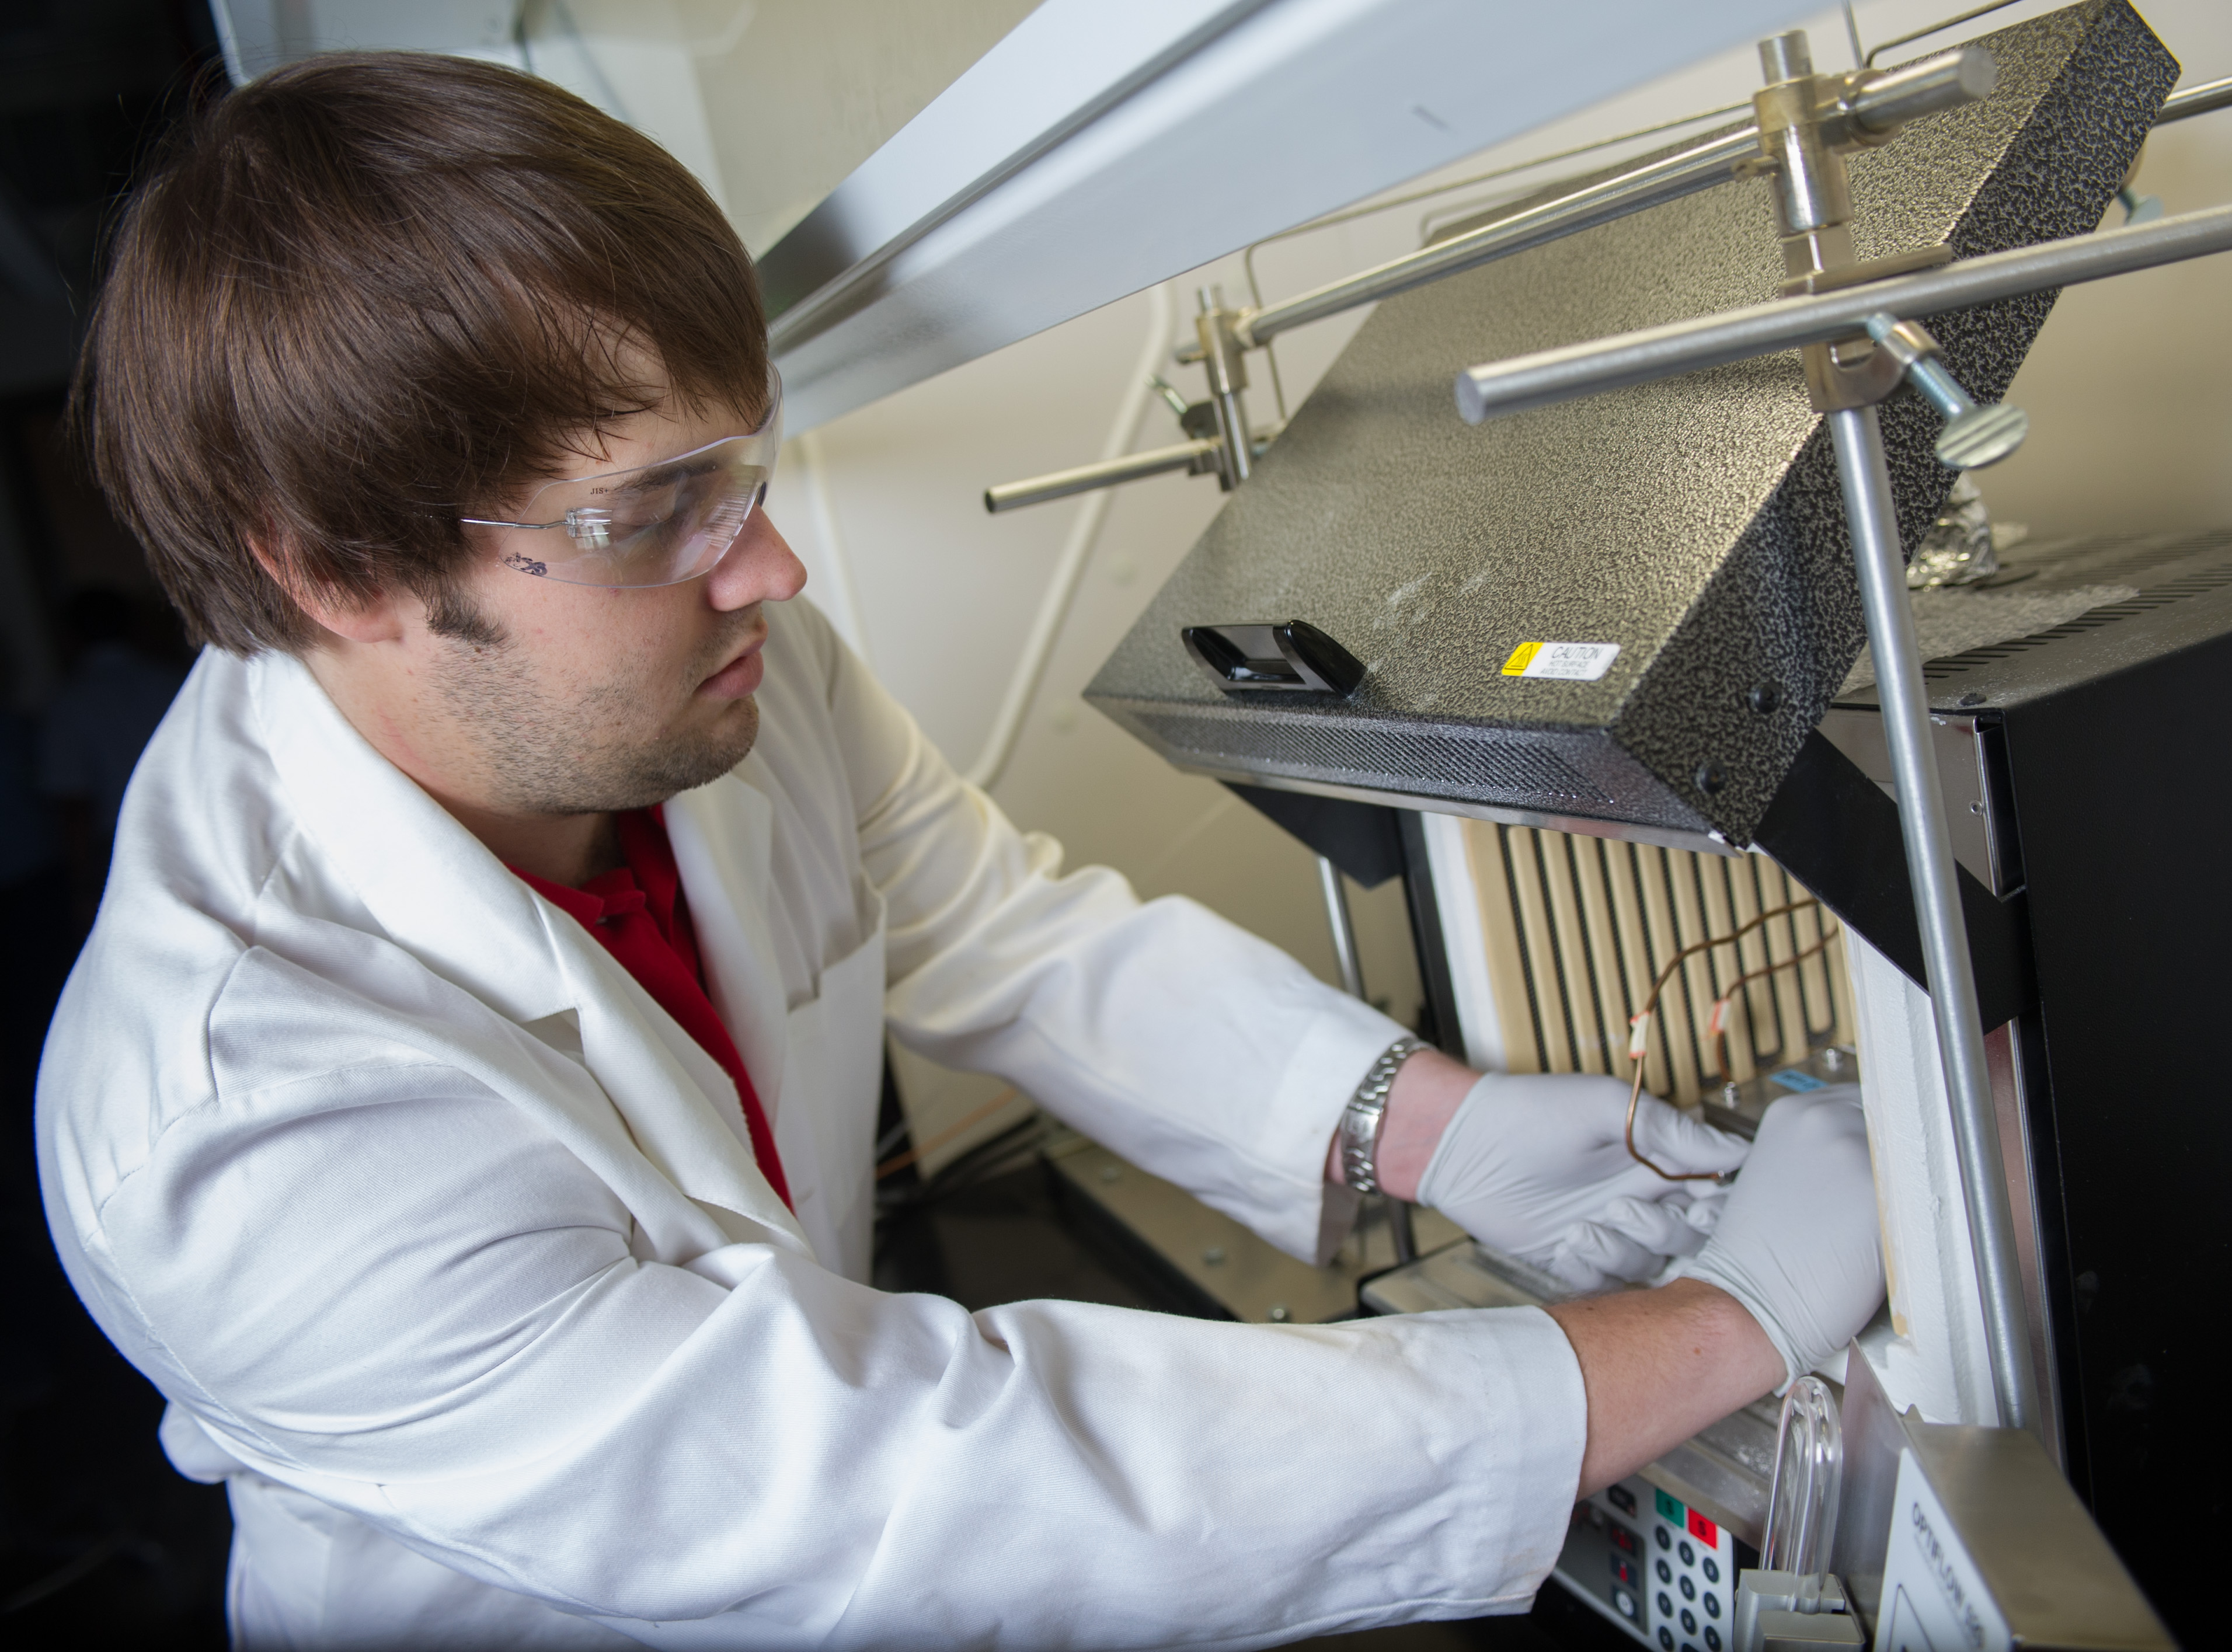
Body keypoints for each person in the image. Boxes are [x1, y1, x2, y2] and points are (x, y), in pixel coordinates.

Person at [37, 53, 1884, 1650]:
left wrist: (1443, 1128)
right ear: (337, 572)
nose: (768, 569)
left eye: (743, 472)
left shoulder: (711, 682)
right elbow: (903, 1487)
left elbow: (993, 930)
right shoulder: (234, 1118)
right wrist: (1724, 1329)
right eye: (651, 513)